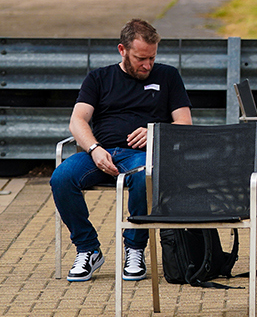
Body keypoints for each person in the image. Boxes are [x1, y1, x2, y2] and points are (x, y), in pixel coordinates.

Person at [50, 19, 192, 282]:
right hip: (100, 154)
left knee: (144, 175)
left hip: (140, 156)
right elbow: (77, 120)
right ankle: (88, 249)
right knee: (61, 177)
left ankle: (134, 249)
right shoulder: (99, 78)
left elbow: (184, 122)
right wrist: (93, 149)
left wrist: (155, 131)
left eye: (152, 57)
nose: (148, 65)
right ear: (122, 50)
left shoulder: (168, 76)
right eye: (141, 58)